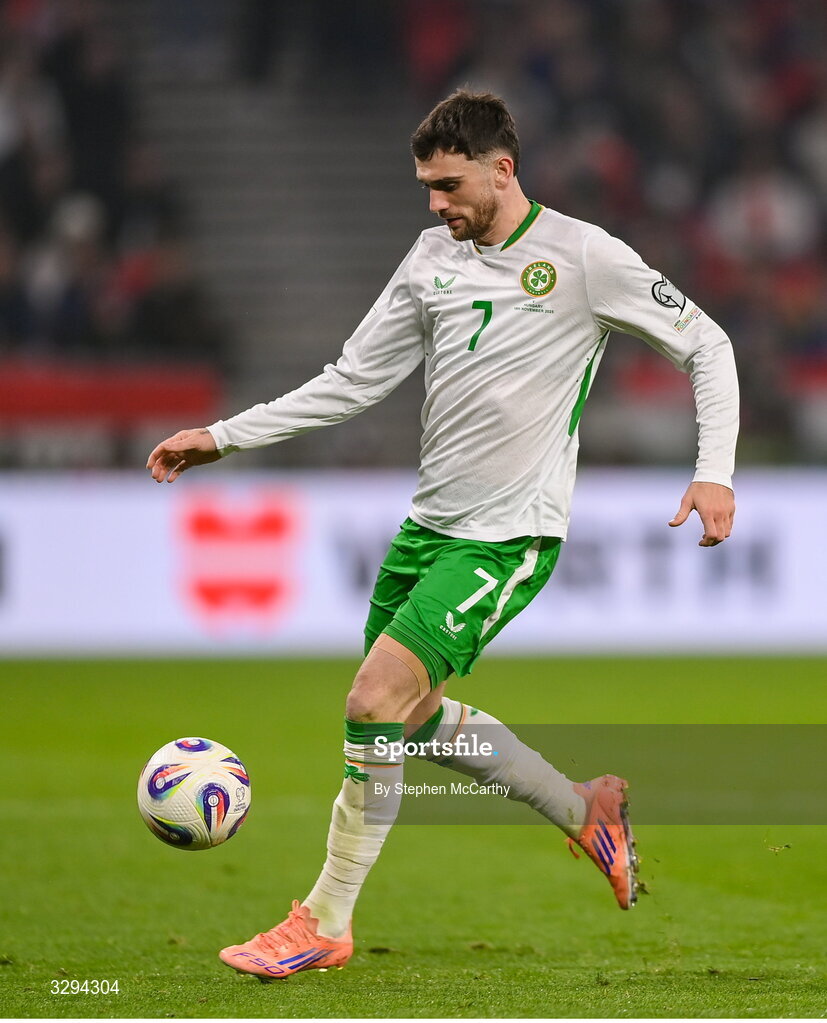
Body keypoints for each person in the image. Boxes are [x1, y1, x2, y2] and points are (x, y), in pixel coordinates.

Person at [147, 89, 738, 979]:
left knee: (372, 702)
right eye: (427, 187)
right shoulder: (431, 258)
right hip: (427, 528)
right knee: (411, 720)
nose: (436, 204)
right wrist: (225, 435)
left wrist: (715, 470)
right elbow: (353, 379)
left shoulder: (584, 257)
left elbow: (709, 345)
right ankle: (584, 811)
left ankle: (323, 920)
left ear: (503, 169)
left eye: (450, 185)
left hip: (507, 537)